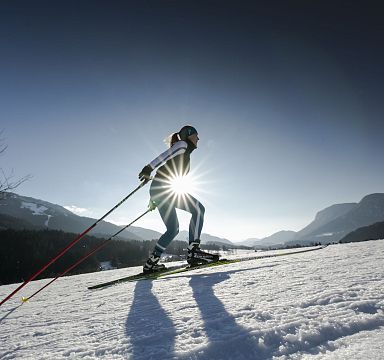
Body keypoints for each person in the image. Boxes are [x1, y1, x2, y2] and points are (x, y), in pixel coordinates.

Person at [138, 125, 219, 273]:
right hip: (165, 190)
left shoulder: (184, 151)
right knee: (198, 209)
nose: (198, 138)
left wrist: (153, 198)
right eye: (196, 135)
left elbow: (167, 172)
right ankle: (194, 251)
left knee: (172, 229)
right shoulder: (182, 145)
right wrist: (148, 168)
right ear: (188, 135)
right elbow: (164, 156)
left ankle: (151, 263)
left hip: (161, 190)